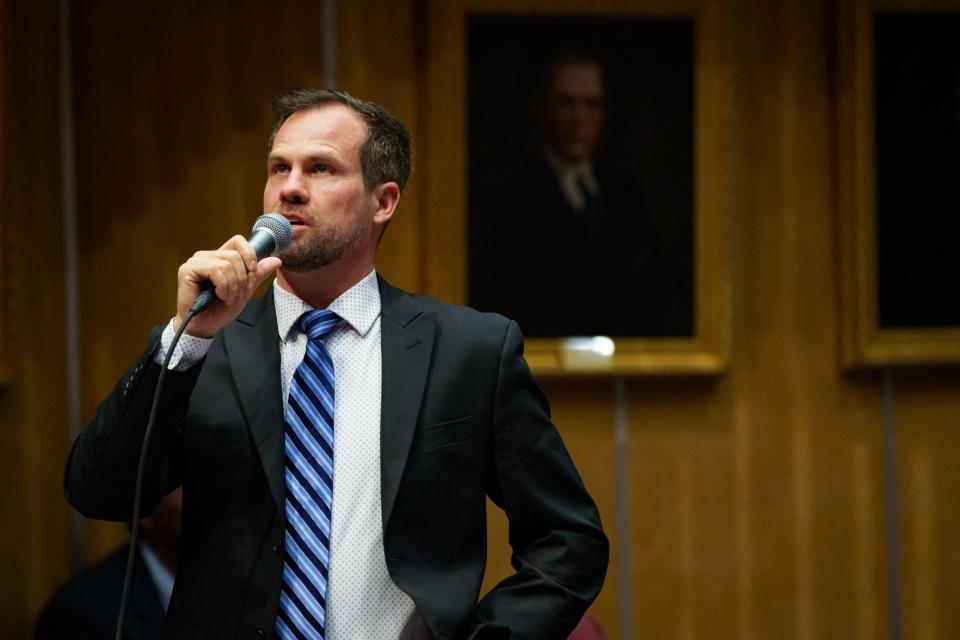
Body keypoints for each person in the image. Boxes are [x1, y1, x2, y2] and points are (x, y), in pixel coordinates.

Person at [65, 88, 608, 639]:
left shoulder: (470, 352)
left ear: (383, 201)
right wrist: (183, 345)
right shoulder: (208, 346)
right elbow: (98, 492)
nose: (290, 188)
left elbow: (568, 539)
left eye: (320, 168)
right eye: (280, 168)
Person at [470, 50, 689, 337]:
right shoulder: (511, 198)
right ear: (541, 107)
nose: (579, 117)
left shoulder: (625, 195)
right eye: (566, 102)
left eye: (591, 104)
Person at [35, 490, 182, 639]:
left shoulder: (204, 589)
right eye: (185, 485)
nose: (204, 497)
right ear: (144, 511)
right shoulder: (80, 615)